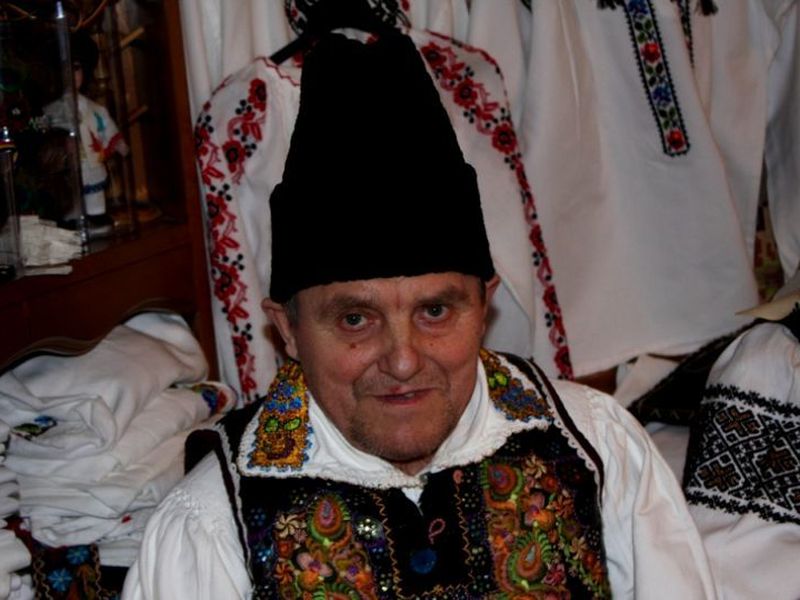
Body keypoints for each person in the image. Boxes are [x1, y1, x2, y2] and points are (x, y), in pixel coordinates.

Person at [122, 31, 717, 599]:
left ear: (483, 305)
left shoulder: (598, 449)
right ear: (288, 330)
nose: (403, 361)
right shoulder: (211, 526)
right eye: (355, 320)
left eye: (435, 311)